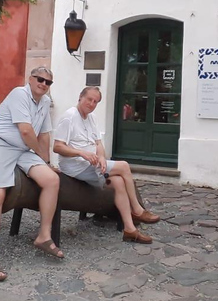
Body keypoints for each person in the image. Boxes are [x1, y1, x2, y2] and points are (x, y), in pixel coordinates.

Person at [0, 67, 63, 281]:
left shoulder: (44, 103)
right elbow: (26, 131)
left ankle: (43, 235)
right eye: (40, 79)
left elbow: (44, 134)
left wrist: (47, 162)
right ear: (30, 79)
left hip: (22, 149)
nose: (43, 84)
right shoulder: (19, 94)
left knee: (52, 180)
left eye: (48, 82)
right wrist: (39, 155)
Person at [54, 86, 160, 244]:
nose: (91, 103)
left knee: (118, 182)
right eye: (89, 99)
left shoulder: (92, 117)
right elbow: (57, 147)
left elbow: (98, 144)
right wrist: (81, 153)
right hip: (75, 166)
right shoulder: (69, 116)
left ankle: (129, 230)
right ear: (80, 97)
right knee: (123, 166)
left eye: (95, 101)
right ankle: (137, 210)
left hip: (92, 164)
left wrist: (102, 157)